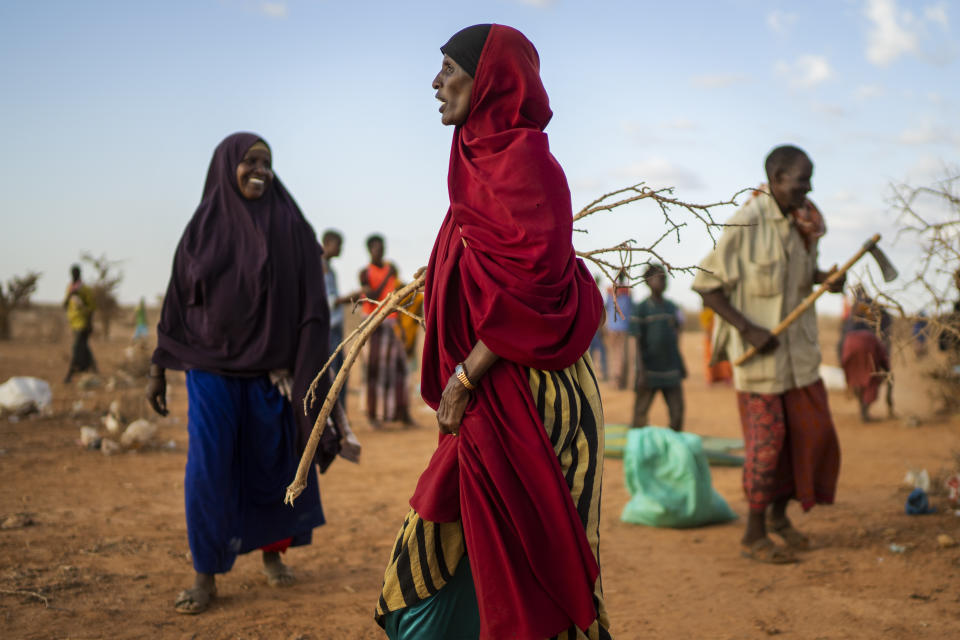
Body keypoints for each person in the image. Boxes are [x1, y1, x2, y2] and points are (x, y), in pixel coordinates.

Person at [375, 24, 610, 639]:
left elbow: (534, 290)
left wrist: (461, 376)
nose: (434, 83)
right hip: (486, 393)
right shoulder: (472, 163)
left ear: (490, 80)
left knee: (534, 559)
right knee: (449, 535)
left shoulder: (529, 163)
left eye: (448, 68)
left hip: (533, 396)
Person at [146, 133, 345, 614]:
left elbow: (314, 305)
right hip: (210, 368)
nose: (259, 170)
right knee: (209, 469)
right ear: (225, 166)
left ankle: (273, 555)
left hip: (271, 371)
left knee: (274, 462)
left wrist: (309, 374)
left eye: (267, 162)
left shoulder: (292, 225)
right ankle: (205, 574)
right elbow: (178, 298)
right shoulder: (203, 227)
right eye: (249, 161)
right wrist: (158, 365)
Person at [693, 144, 843, 565]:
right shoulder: (746, 223)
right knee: (767, 443)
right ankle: (753, 534)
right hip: (760, 364)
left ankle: (779, 518)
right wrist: (748, 328)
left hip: (799, 358)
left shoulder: (802, 223)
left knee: (808, 438)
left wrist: (824, 280)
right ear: (776, 177)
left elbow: (801, 276)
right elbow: (706, 285)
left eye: (810, 179)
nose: (809, 188)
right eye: (801, 179)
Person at [360, 234, 413, 427]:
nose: (380, 250)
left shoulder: (392, 268)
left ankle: (401, 413)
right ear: (369, 249)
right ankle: (374, 415)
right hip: (373, 323)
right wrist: (388, 277)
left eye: (382, 246)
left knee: (400, 368)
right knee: (375, 370)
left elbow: (395, 298)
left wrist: (401, 326)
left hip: (391, 323)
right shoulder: (365, 272)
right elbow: (371, 295)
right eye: (376, 247)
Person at [630, 263, 686, 431]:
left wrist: (680, 364)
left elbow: (677, 336)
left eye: (665, 278)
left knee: (677, 412)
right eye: (659, 278)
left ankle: (674, 446)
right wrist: (641, 371)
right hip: (649, 370)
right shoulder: (642, 309)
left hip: (671, 368)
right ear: (648, 282)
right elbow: (637, 343)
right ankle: (639, 448)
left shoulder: (672, 307)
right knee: (640, 413)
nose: (663, 282)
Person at [839, 286, 893, 422]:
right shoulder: (873, 305)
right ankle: (865, 411)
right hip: (868, 341)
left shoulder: (853, 308)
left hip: (849, 342)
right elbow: (886, 321)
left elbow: (844, 328)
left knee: (856, 377)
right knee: (871, 377)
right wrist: (887, 368)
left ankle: (862, 409)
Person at [322, 229, 353, 410]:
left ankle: (339, 414)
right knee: (333, 373)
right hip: (327, 328)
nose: (340, 248)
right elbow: (327, 301)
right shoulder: (320, 267)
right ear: (328, 244)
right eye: (338, 244)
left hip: (335, 327)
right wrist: (350, 297)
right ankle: (332, 414)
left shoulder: (330, 269)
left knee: (340, 372)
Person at [63, 264, 98, 382]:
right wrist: (70, 295)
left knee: (77, 348)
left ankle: (70, 374)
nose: (74, 276)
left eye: (76, 273)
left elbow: (92, 307)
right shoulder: (70, 288)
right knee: (84, 347)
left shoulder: (84, 289)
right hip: (74, 323)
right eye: (73, 274)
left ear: (79, 274)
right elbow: (64, 304)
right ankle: (93, 368)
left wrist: (89, 322)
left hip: (83, 323)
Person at [604, 270, 633, 389]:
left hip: (611, 326)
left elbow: (607, 306)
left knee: (613, 354)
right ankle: (620, 381)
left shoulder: (610, 291)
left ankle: (615, 380)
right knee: (622, 354)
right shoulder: (628, 292)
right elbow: (631, 308)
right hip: (624, 327)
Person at [699, 306, 733, 384]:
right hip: (710, 338)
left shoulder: (720, 310)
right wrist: (710, 335)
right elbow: (706, 326)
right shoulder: (706, 312)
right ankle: (711, 377)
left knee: (724, 358)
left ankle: (726, 376)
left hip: (721, 336)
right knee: (710, 357)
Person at [589, 274, 609, 381]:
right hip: (595, 329)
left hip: (594, 329)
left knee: (594, 352)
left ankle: (593, 374)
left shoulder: (592, 292)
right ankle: (599, 374)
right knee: (598, 351)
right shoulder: (598, 294)